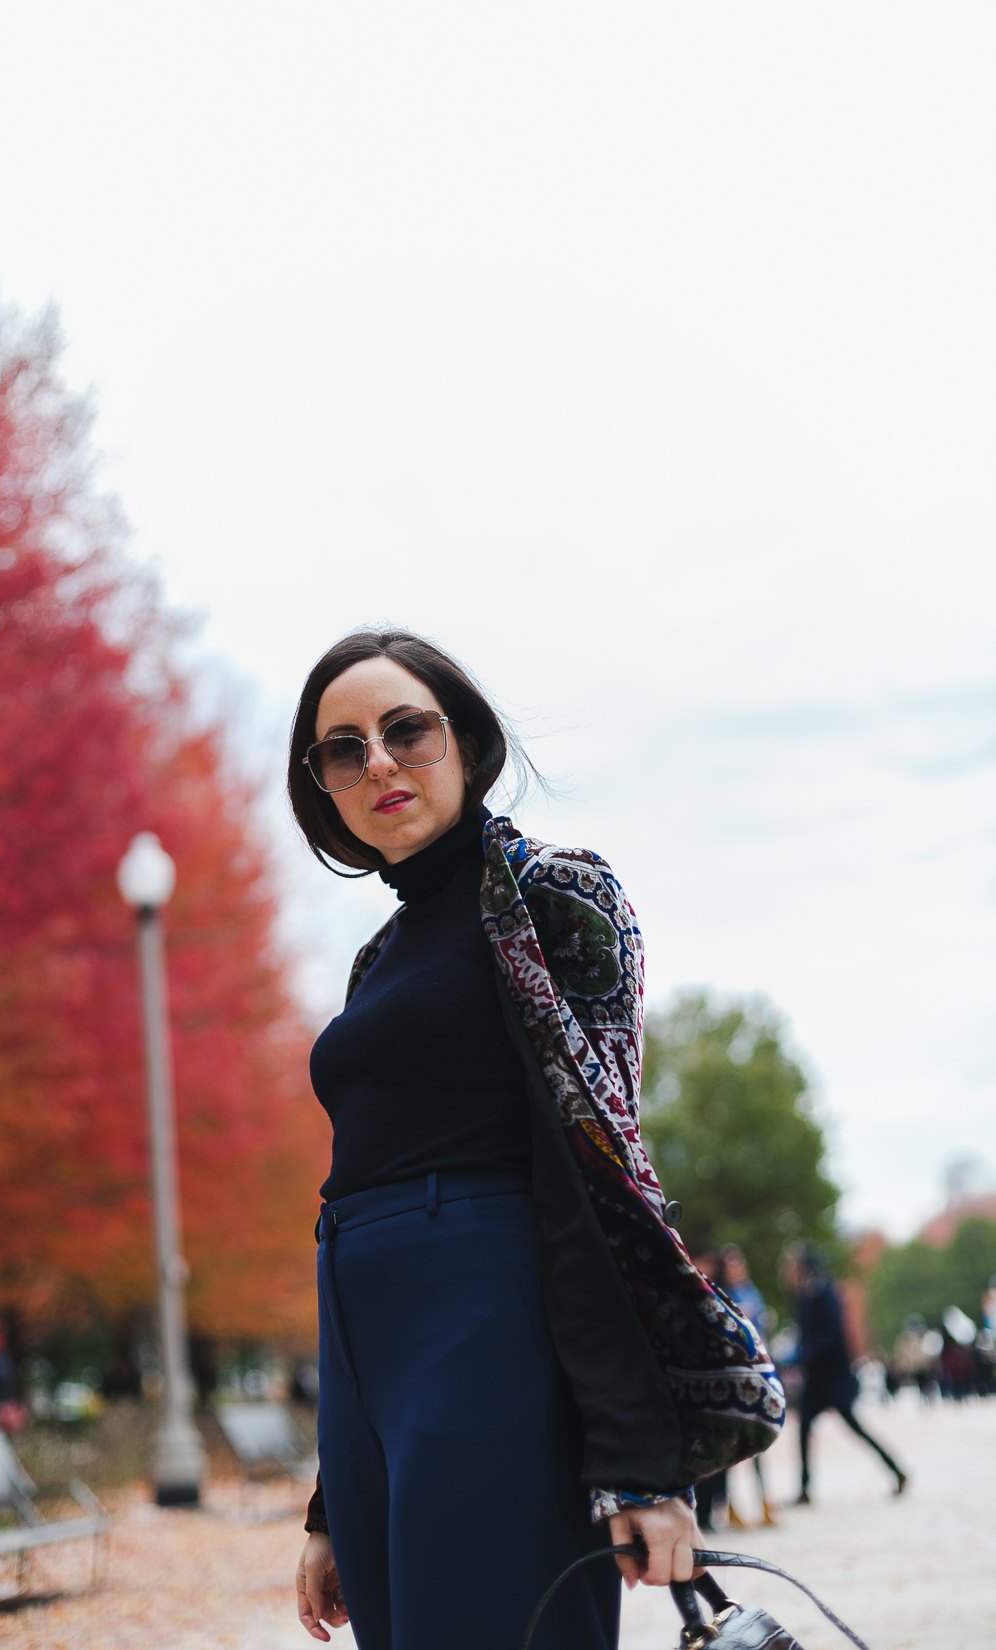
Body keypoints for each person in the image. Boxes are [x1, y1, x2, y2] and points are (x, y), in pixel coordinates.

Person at [289, 630, 785, 1650]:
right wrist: (332, 1501)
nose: (377, 761)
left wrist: (641, 1463)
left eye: (405, 730)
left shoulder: (552, 897)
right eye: (344, 749)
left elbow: (602, 1176)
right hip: (363, 1359)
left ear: (464, 743)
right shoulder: (376, 960)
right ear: (325, 789)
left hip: (486, 1331)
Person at [782, 1243, 907, 1504]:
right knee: (804, 1430)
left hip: (834, 1380)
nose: (788, 1270)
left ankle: (897, 1470)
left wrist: (807, 1351)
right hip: (816, 1382)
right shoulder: (803, 1295)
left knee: (856, 1428)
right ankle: (805, 1488)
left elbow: (834, 1334)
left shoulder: (824, 1292)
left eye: (792, 1265)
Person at [717, 1245, 776, 1526]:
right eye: (730, 1264)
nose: (736, 1268)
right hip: (735, 1377)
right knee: (731, 1447)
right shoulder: (723, 1294)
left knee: (758, 1444)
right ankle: (730, 1506)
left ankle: (765, 1503)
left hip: (756, 1375)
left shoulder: (754, 1294)